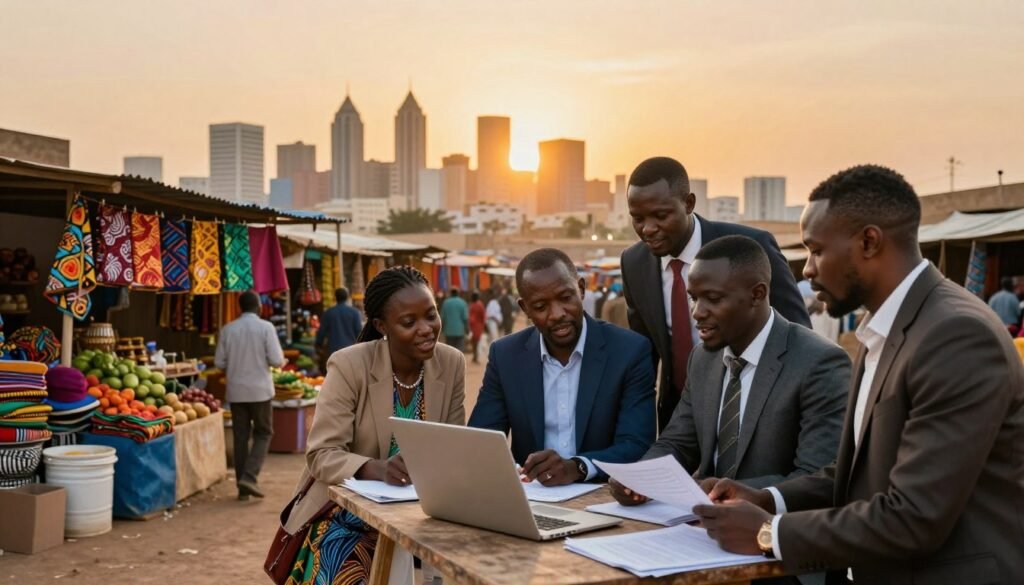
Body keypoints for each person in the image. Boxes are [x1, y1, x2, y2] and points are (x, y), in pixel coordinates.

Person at [693, 165, 1024, 584]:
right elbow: (863, 471)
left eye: (815, 250)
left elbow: (914, 517)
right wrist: (768, 498)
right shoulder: (884, 328)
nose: (807, 269)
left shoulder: (956, 335)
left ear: (869, 241)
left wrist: (768, 532)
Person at [611, 235, 849, 500]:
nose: (697, 312)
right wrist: (640, 477)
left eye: (712, 298)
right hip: (695, 525)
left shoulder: (819, 362)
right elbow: (678, 442)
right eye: (694, 298)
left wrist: (745, 495)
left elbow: (818, 477)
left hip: (771, 531)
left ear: (757, 294)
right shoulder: (702, 358)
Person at [283, 266, 466, 585]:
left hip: (423, 518)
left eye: (431, 315)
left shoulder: (450, 364)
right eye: (409, 322)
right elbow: (321, 455)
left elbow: (452, 447)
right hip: (349, 516)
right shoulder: (349, 365)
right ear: (383, 326)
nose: (426, 329)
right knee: (343, 570)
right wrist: (375, 468)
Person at [620, 157, 810, 431]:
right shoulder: (633, 262)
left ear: (688, 203)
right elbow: (644, 354)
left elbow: (798, 334)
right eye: (638, 219)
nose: (648, 229)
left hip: (754, 412)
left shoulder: (751, 246)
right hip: (679, 420)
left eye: (661, 216)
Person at [468, 248, 656, 485]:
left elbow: (636, 444)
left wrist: (578, 467)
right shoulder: (505, 356)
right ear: (525, 308)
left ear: (581, 288)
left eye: (566, 298)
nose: (556, 314)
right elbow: (480, 440)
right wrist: (515, 471)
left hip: (602, 497)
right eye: (540, 306)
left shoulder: (629, 351)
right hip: (531, 499)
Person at [214, 290, 285, 500]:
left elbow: (219, 363)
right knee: (264, 433)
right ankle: (249, 477)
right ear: (259, 307)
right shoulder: (266, 328)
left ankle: (242, 488)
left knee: (240, 437)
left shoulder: (228, 329)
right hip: (260, 391)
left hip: (236, 391)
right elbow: (276, 360)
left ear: (239, 308)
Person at [315, 287, 363, 361]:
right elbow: (359, 332)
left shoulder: (328, 313)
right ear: (347, 297)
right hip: (351, 350)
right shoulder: (355, 313)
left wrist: (318, 344)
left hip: (333, 351)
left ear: (335, 298)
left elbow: (322, 332)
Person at [440, 288, 469, 352]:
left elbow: (442, 318)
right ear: (458, 293)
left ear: (451, 293)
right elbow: (465, 318)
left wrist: (441, 330)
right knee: (459, 350)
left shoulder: (446, 303)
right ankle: (459, 362)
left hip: (448, 331)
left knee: (449, 350)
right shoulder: (462, 302)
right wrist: (467, 329)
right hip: (459, 331)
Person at [468, 291, 486, 364]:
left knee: (474, 342)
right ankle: (475, 356)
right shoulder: (480, 304)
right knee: (476, 342)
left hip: (472, 325)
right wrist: (484, 325)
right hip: (478, 326)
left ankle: (475, 356)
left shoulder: (471, 305)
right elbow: (483, 315)